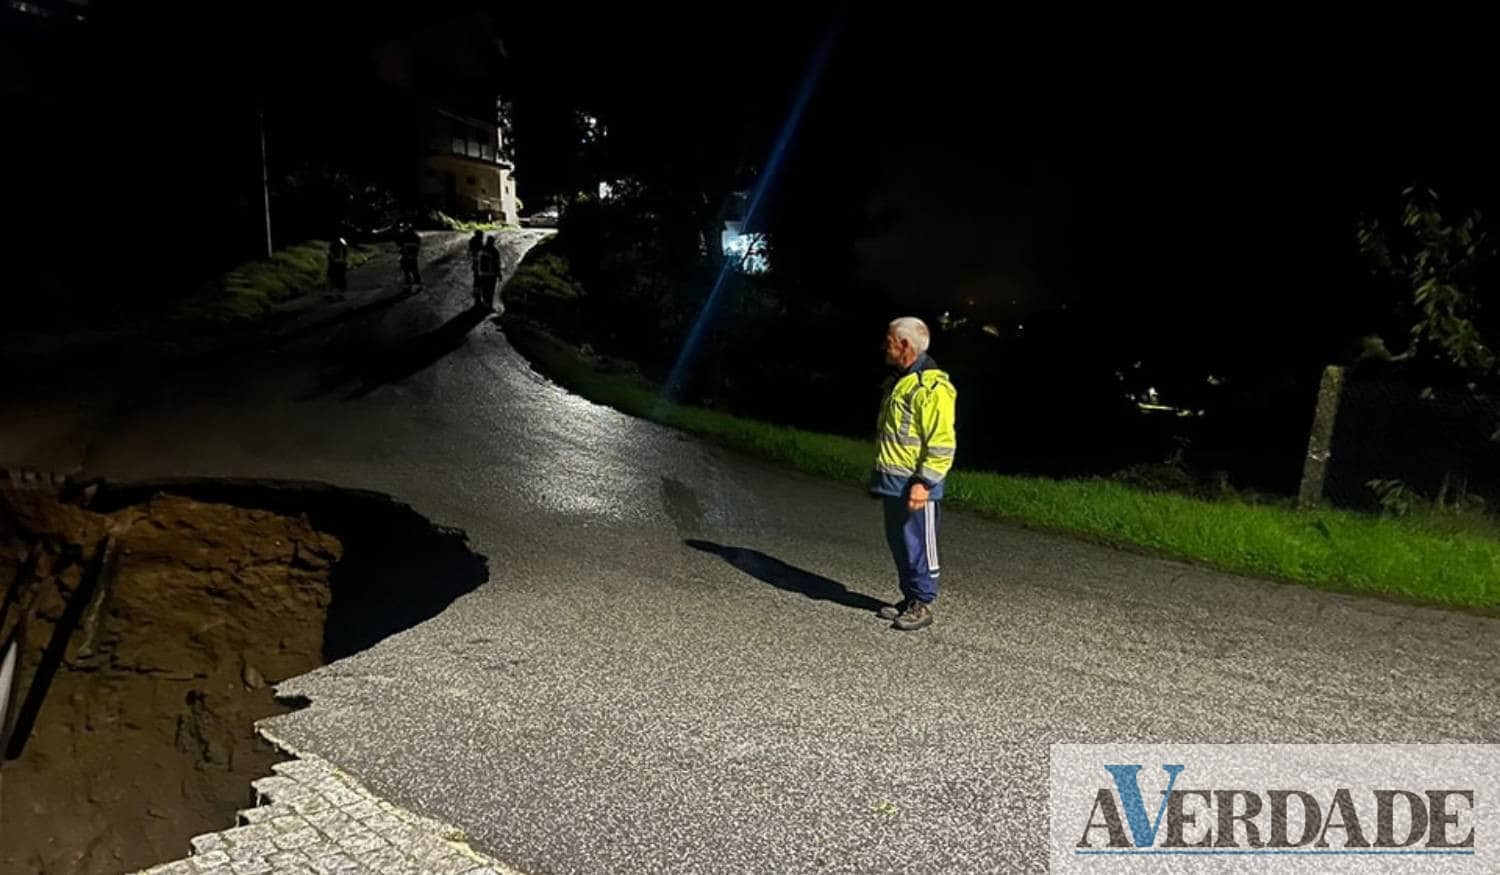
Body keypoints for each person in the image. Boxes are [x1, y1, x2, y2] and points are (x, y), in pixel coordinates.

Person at [870, 317, 957, 631]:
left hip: (917, 484)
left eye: (889, 339)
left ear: (904, 344)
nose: (885, 345)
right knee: (900, 542)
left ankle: (922, 603)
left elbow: (942, 441)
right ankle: (909, 597)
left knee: (920, 544)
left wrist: (926, 482)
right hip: (894, 481)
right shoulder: (901, 379)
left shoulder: (932, 386)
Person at [475, 235, 501, 310]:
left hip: (482, 273)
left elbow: (477, 261)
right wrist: (499, 274)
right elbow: (496, 264)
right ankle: (489, 306)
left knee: (484, 289)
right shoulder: (494, 251)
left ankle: (483, 303)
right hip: (491, 274)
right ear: (493, 242)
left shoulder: (482, 249)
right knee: (490, 290)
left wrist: (478, 272)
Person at [397, 223, 422, 293]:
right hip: (406, 256)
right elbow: (401, 246)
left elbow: (415, 247)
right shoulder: (404, 236)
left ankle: (416, 284)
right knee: (407, 271)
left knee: (413, 271)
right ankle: (409, 284)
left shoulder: (413, 236)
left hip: (411, 256)